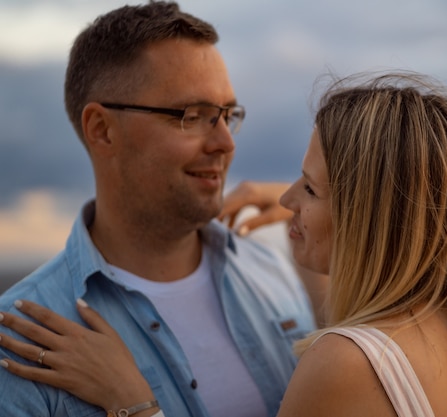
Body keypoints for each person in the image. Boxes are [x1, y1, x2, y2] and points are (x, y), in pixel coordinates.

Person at [0, 71, 447, 417]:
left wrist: (132, 401)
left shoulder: (344, 364)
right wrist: (311, 204)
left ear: (367, 217)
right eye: (191, 116)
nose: (284, 200)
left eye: (307, 187)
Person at [0, 2, 317, 417]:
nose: (225, 142)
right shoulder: (24, 341)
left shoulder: (269, 271)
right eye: (192, 115)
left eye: (227, 115)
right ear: (102, 130)